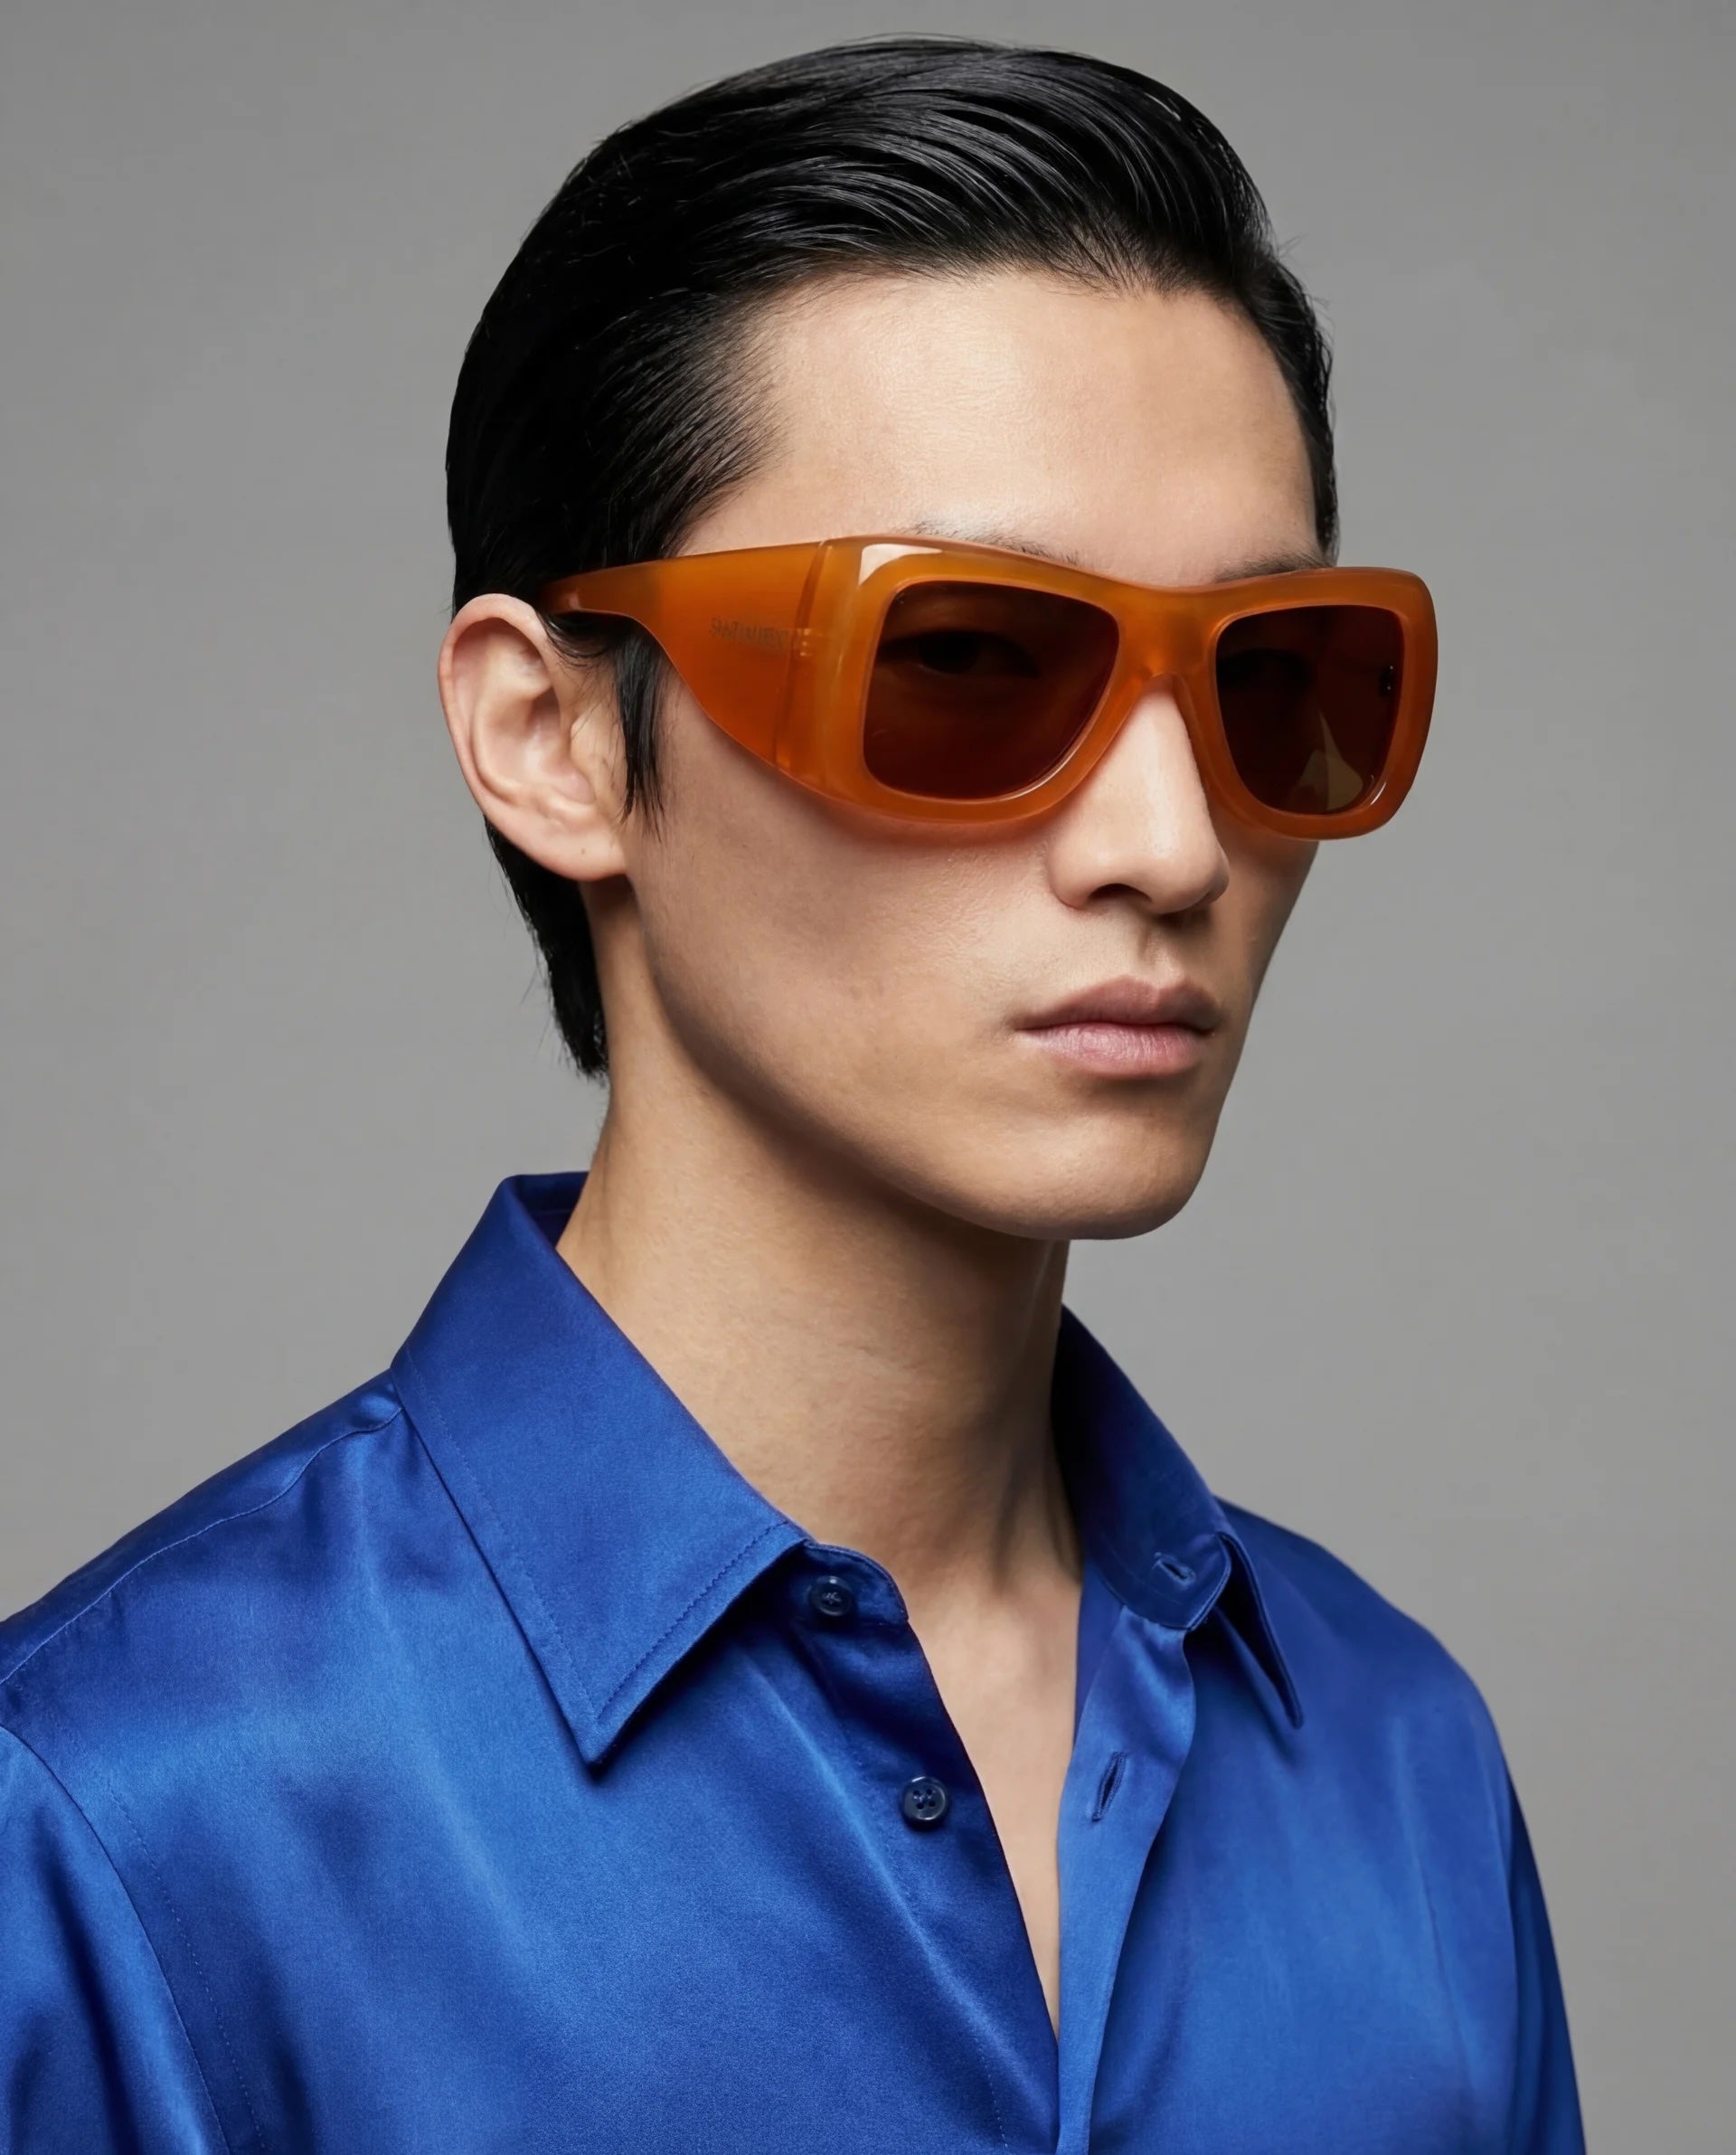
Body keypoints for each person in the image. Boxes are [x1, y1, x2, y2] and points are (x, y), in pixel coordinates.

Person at [0, 36, 1583, 2152]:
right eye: (965, 661)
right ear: (554, 737)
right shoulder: (109, 1821)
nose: (1172, 843)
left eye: (1277, 682)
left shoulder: (1398, 1767)